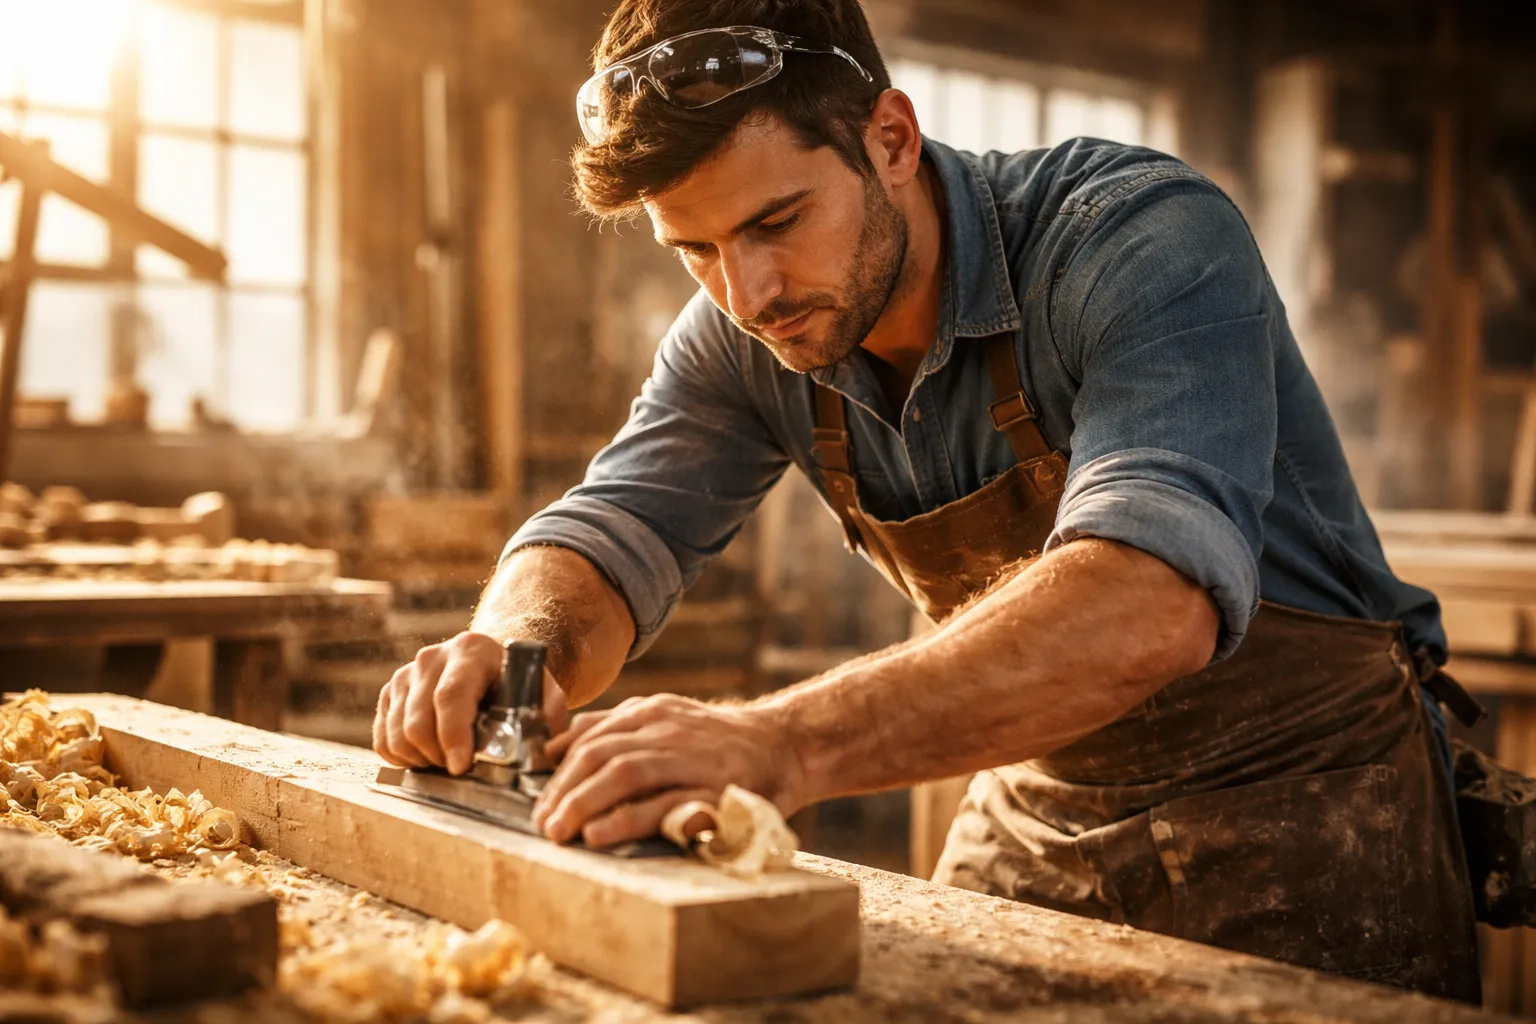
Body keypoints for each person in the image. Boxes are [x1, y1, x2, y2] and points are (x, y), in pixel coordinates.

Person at [374, 0, 1481, 1000]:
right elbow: (611, 527)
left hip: (1308, 799)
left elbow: (1153, 597)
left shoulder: (1138, 236)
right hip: (1037, 797)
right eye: (695, 250)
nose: (744, 293)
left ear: (890, 139)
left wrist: (780, 743)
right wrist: (513, 654)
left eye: (774, 222)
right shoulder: (742, 329)